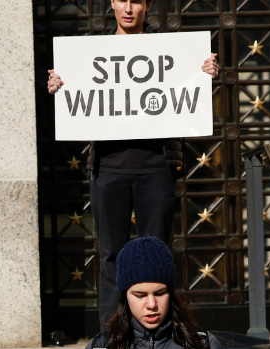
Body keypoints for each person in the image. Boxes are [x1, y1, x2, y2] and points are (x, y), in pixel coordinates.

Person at [47, 0, 220, 331]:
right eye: (122, 0)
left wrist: (206, 72)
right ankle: (112, 335)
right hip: (109, 169)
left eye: (136, 1)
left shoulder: (168, 49)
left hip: (156, 167)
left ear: (148, 5)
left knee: (156, 254)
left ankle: (161, 334)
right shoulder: (91, 50)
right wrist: (58, 87)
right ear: (111, 2)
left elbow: (187, 87)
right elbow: (76, 97)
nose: (129, 8)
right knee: (111, 255)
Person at [67, 236, 236, 349]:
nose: (151, 304)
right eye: (140, 295)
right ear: (125, 297)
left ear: (171, 293)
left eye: (160, 293)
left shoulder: (203, 345)